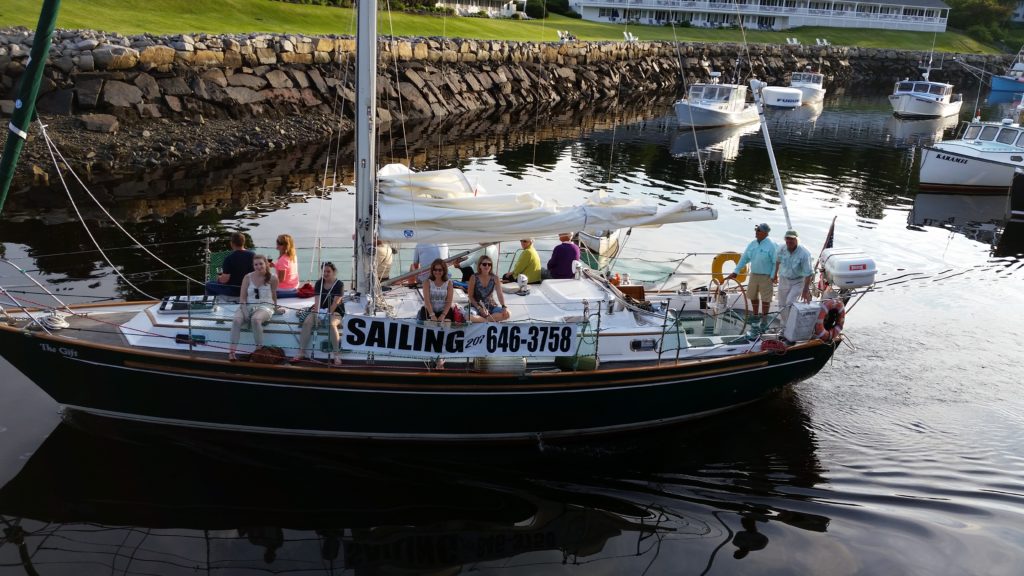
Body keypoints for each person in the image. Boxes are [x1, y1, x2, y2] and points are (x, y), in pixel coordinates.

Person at [228, 254, 281, 360]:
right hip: (248, 305)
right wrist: (244, 310)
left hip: (265, 305)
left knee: (256, 319)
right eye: (256, 264)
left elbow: (274, 295)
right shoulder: (247, 277)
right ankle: (232, 352)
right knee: (236, 321)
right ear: (253, 266)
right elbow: (242, 297)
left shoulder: (273, 278)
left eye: (261, 264)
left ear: (266, 264)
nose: (258, 266)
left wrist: (275, 308)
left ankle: (259, 351)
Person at [726, 223, 778, 330]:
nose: (756, 232)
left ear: (765, 233)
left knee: (765, 299)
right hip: (754, 274)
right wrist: (736, 271)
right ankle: (755, 316)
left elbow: (775, 262)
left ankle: (764, 319)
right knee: (753, 296)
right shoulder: (752, 244)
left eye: (758, 230)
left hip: (766, 276)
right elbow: (744, 258)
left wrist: (773, 275)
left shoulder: (772, 245)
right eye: (756, 230)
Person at [292, 262, 345, 366]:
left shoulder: (339, 284)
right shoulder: (319, 283)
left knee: (331, 324)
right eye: (324, 271)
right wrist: (316, 315)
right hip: (320, 309)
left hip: (336, 311)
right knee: (307, 322)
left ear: (333, 272)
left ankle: (336, 354)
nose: (325, 273)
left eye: (328, 271)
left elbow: (335, 303)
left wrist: (325, 316)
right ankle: (301, 352)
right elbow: (317, 302)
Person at [773, 229, 813, 327]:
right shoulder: (781, 249)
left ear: (796, 240)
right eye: (787, 239)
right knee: (782, 304)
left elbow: (808, 274)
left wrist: (805, 290)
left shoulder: (804, 253)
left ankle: (792, 324)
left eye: (791, 239)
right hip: (783, 279)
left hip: (798, 281)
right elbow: (777, 261)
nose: (789, 241)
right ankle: (784, 325)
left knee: (789, 302)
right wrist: (775, 275)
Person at [206, 231, 254, 297]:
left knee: (209, 284)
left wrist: (219, 278)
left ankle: (213, 304)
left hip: (234, 290)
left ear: (232, 243)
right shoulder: (253, 255)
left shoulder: (229, 258)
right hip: (249, 289)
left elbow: (224, 280)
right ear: (243, 242)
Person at [467, 255, 510, 322]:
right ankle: (489, 320)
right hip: (476, 306)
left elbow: (500, 294)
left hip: (491, 306)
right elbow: (470, 296)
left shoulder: (495, 278)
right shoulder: (474, 277)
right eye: (484, 264)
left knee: (508, 314)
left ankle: (484, 321)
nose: (487, 266)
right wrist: (479, 309)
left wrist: (504, 306)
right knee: (468, 316)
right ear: (480, 266)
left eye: (489, 264)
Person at [419, 258, 456, 323]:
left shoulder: (449, 283)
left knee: (446, 324)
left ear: (444, 270)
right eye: (435, 270)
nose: (437, 272)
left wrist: (443, 315)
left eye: (440, 270)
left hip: (444, 311)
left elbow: (449, 301)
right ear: (432, 270)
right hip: (429, 310)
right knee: (429, 324)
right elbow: (427, 300)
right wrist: (432, 315)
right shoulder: (427, 282)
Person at [274, 234, 299, 298]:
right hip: (294, 286)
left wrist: (268, 280)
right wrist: (275, 265)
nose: (278, 244)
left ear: (286, 246)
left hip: (284, 289)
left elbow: (281, 279)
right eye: (278, 242)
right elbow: (286, 268)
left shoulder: (283, 260)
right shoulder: (293, 256)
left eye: (280, 243)